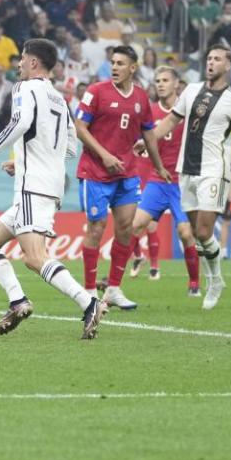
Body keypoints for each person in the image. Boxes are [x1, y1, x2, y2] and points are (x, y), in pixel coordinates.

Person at [0, 38, 106, 340]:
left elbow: (19, 123)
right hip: (48, 184)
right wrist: (26, 160)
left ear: (33, 63)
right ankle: (18, 301)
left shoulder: (24, 88)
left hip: (32, 187)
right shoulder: (59, 99)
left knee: (34, 257)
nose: (18, 65)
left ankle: (88, 301)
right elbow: (69, 148)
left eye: (22, 59)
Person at [151, 45, 231, 309]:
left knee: (202, 230)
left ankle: (215, 279)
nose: (211, 62)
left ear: (228, 65)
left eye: (217, 59)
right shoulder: (190, 90)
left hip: (213, 170)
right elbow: (170, 122)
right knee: (197, 234)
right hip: (185, 169)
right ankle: (215, 277)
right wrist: (148, 140)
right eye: (209, 58)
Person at [74, 45, 171, 310]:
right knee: (96, 227)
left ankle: (114, 289)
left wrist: (158, 166)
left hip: (127, 173)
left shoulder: (141, 97)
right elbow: (80, 128)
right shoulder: (96, 92)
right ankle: (90, 292)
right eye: (112, 62)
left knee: (126, 228)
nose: (114, 67)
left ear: (133, 67)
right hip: (95, 171)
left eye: (120, 63)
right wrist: (104, 155)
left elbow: (149, 133)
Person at [127, 67, 201, 296]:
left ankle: (194, 283)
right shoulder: (149, 111)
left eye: (165, 80)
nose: (160, 84)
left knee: (185, 233)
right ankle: (113, 281)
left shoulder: (189, 112)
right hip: (157, 181)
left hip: (182, 182)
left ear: (176, 83)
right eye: (157, 80)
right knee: (133, 226)